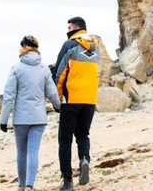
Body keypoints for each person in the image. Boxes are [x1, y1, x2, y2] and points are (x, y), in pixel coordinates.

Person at [0, 35, 61, 191]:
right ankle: (29, 186)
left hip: (21, 119)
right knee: (33, 152)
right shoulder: (44, 68)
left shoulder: (16, 68)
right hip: (39, 118)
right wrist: (59, 107)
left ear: (23, 47)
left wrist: (3, 119)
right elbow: (52, 93)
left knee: (21, 152)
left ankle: (21, 186)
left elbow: (9, 96)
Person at [53, 16, 99, 191]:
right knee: (83, 135)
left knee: (65, 141)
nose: (67, 30)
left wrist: (57, 100)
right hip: (90, 100)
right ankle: (84, 160)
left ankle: (67, 182)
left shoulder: (69, 45)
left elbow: (59, 74)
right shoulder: (95, 47)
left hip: (71, 100)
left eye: (69, 27)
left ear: (76, 28)